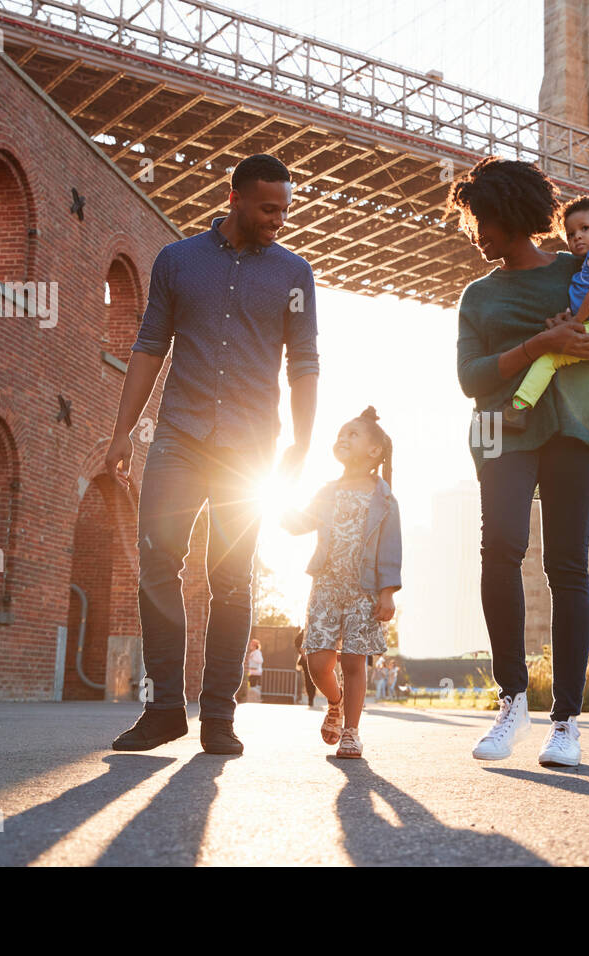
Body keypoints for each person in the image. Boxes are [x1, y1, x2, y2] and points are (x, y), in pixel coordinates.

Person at [107, 153, 319, 756]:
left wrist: (302, 444)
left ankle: (219, 718)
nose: (279, 218)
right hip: (177, 437)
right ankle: (165, 710)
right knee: (157, 563)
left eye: (285, 207)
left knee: (230, 579)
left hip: (249, 451)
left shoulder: (294, 274)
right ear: (234, 199)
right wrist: (123, 430)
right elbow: (149, 346)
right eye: (268, 207)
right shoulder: (176, 261)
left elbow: (303, 363)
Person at [450, 156, 589, 768]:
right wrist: (540, 343)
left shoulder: (581, 266)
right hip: (500, 431)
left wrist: (586, 343)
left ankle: (565, 721)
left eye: (480, 220)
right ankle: (512, 701)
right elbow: (470, 378)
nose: (474, 233)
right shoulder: (477, 296)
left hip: (574, 430)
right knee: (500, 549)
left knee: (567, 566)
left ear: (509, 215)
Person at [283, 408, 401, 759]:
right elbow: (299, 522)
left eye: (353, 434)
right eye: (340, 434)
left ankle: (351, 732)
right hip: (326, 588)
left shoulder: (384, 498)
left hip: (364, 592)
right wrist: (281, 502)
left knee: (353, 663)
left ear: (374, 451)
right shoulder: (327, 491)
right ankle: (334, 702)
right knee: (317, 662)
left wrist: (387, 593)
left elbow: (390, 548)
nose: (343, 439)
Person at [500, 196, 589, 457]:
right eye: (570, 233)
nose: (576, 237)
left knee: (551, 356)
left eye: (585, 229)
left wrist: (577, 321)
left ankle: (517, 409)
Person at [294, 627, 317, 707]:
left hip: (315, 659)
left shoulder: (317, 630)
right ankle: (310, 698)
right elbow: (297, 642)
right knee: (308, 679)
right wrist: (302, 652)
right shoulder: (304, 632)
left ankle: (312, 697)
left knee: (313, 679)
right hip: (306, 660)